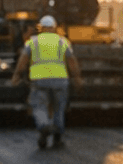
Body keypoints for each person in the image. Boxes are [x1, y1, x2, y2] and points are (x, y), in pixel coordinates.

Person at [11, 15, 83, 149]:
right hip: (60, 81)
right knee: (58, 109)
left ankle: (44, 127)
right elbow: (71, 60)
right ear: (54, 28)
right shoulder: (63, 41)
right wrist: (77, 77)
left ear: (40, 28)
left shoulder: (33, 41)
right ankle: (57, 138)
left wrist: (17, 75)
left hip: (40, 81)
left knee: (39, 106)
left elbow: (23, 60)